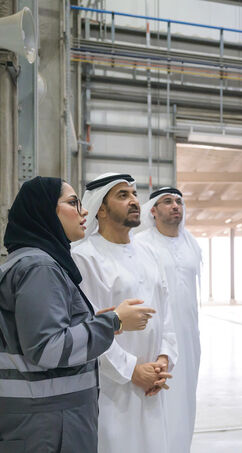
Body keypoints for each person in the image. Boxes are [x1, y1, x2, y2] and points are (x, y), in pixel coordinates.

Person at [0, 176, 155, 452]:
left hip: (44, 419)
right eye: (73, 203)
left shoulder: (32, 262)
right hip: (48, 425)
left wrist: (97, 324)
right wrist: (112, 322)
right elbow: (48, 348)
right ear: (46, 210)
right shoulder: (40, 268)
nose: (84, 212)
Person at [71, 173, 178, 453]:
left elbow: (166, 315)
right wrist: (132, 370)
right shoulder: (83, 257)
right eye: (122, 195)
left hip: (154, 384)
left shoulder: (149, 253)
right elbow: (88, 326)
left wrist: (164, 359)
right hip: (111, 390)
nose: (134, 201)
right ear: (101, 209)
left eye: (134, 194)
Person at [135, 187, 202, 453]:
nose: (175, 206)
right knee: (159, 401)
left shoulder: (191, 243)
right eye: (167, 201)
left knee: (185, 399)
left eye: (178, 201)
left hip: (189, 337)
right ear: (153, 210)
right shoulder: (141, 244)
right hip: (157, 338)